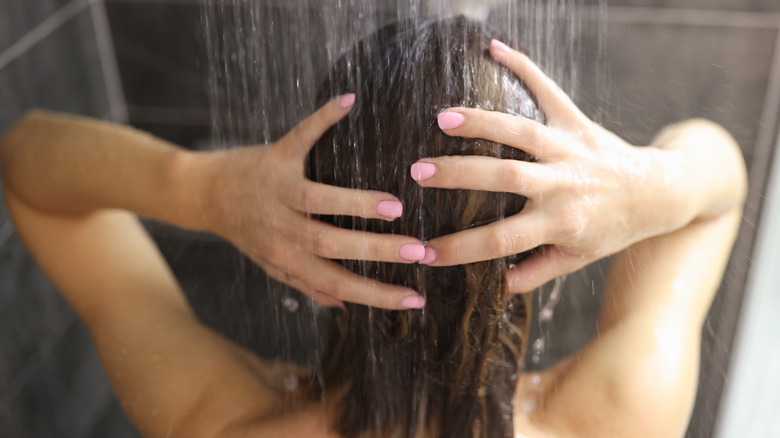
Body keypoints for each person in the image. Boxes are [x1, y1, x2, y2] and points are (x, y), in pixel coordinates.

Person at [0, 16, 746, 438]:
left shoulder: (217, 421)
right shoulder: (619, 416)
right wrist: (642, 187)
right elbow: (721, 179)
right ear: (550, 244)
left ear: (302, 246)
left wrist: (203, 188)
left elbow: (29, 166)